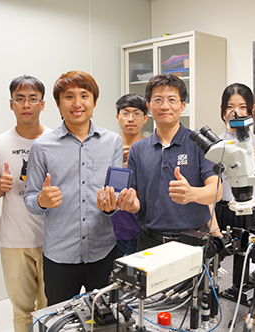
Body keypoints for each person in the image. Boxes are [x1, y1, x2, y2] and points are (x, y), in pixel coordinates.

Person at [23, 70, 123, 305]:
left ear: (94, 102)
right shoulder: (42, 146)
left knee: (106, 320)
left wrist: (111, 206)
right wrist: (41, 201)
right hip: (60, 255)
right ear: (58, 103)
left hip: (103, 250)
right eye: (69, 97)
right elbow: (29, 197)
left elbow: (116, 193)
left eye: (84, 96)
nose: (77, 103)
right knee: (59, 320)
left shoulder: (112, 142)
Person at [113, 74, 223, 251]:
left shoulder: (199, 145)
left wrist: (192, 194)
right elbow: (136, 201)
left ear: (182, 106)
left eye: (172, 100)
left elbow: (216, 191)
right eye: (158, 100)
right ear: (149, 106)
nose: (165, 106)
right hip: (149, 242)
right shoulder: (138, 149)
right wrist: (130, 204)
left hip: (192, 241)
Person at [0, 75, 52, 332]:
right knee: (22, 310)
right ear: (11, 104)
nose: (26, 105)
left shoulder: (56, 139)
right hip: (14, 239)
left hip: (54, 238)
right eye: (20, 99)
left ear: (43, 104)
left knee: (52, 307)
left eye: (33, 99)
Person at [215, 82, 255, 231]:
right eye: (230, 107)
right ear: (222, 109)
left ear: (252, 109)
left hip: (253, 213)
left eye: (242, 107)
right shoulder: (214, 145)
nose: (236, 112)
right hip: (223, 212)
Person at [111, 93, 149, 257]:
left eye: (137, 113)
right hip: (112, 228)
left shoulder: (151, 148)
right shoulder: (108, 148)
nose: (131, 118)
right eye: (125, 113)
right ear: (118, 118)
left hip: (142, 228)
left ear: (145, 118)